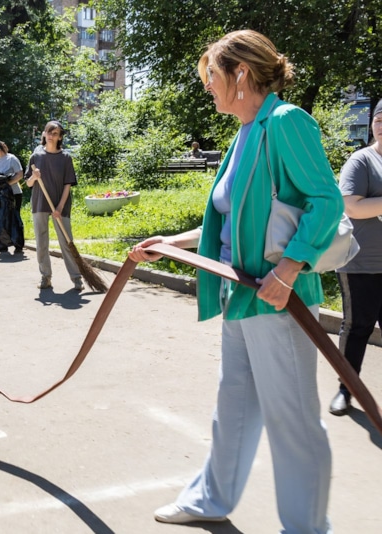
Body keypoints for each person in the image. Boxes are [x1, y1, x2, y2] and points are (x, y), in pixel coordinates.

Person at [128, 30, 342, 532]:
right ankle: (211, 499)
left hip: (278, 301)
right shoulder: (246, 131)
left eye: (212, 76)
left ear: (241, 74)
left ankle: (307, 527)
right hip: (241, 296)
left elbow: (326, 201)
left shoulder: (285, 122)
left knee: (293, 424)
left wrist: (288, 270)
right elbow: (235, 218)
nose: (207, 86)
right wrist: (172, 241)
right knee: (235, 406)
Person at [328, 99, 382, 416]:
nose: (381, 124)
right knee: (357, 327)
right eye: (378, 118)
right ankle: (346, 389)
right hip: (360, 263)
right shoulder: (361, 162)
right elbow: (352, 206)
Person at [23, 121, 83, 291]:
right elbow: (28, 184)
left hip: (60, 204)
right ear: (44, 134)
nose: (51, 136)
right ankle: (45, 277)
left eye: (55, 133)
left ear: (60, 137)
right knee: (41, 242)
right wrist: (34, 177)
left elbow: (68, 184)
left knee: (66, 241)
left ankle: (77, 278)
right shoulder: (36, 157)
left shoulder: (65, 158)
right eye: (49, 132)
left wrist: (59, 207)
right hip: (40, 203)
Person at [0, 139, 24, 253]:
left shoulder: (11, 159)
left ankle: (18, 244)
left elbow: (20, 175)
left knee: (14, 218)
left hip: (13, 194)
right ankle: (1, 244)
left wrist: (7, 184)